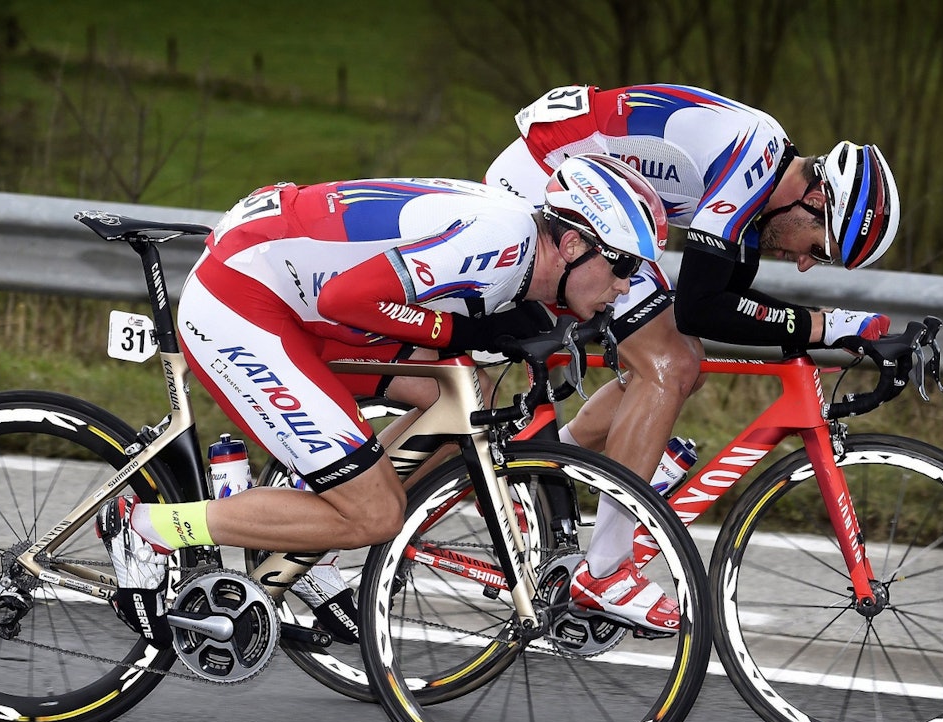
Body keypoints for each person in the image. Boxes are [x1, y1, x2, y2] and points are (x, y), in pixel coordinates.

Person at [95, 153, 669, 647]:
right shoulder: (500, 245)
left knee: (455, 396)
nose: (625, 285)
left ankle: (306, 531)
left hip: (293, 288)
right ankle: (150, 527)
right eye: (622, 265)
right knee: (375, 514)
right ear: (571, 243)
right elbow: (349, 299)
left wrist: (493, 335)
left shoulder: (522, 247)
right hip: (247, 299)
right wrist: (458, 332)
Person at [484, 83, 901, 629]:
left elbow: (729, 303)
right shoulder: (752, 158)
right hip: (548, 185)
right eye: (820, 251)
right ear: (816, 201)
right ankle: (604, 571)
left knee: (684, 363)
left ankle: (541, 470)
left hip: (592, 196)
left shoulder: (764, 182)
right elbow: (702, 307)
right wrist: (827, 325)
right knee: (669, 364)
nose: (803, 265)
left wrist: (827, 326)